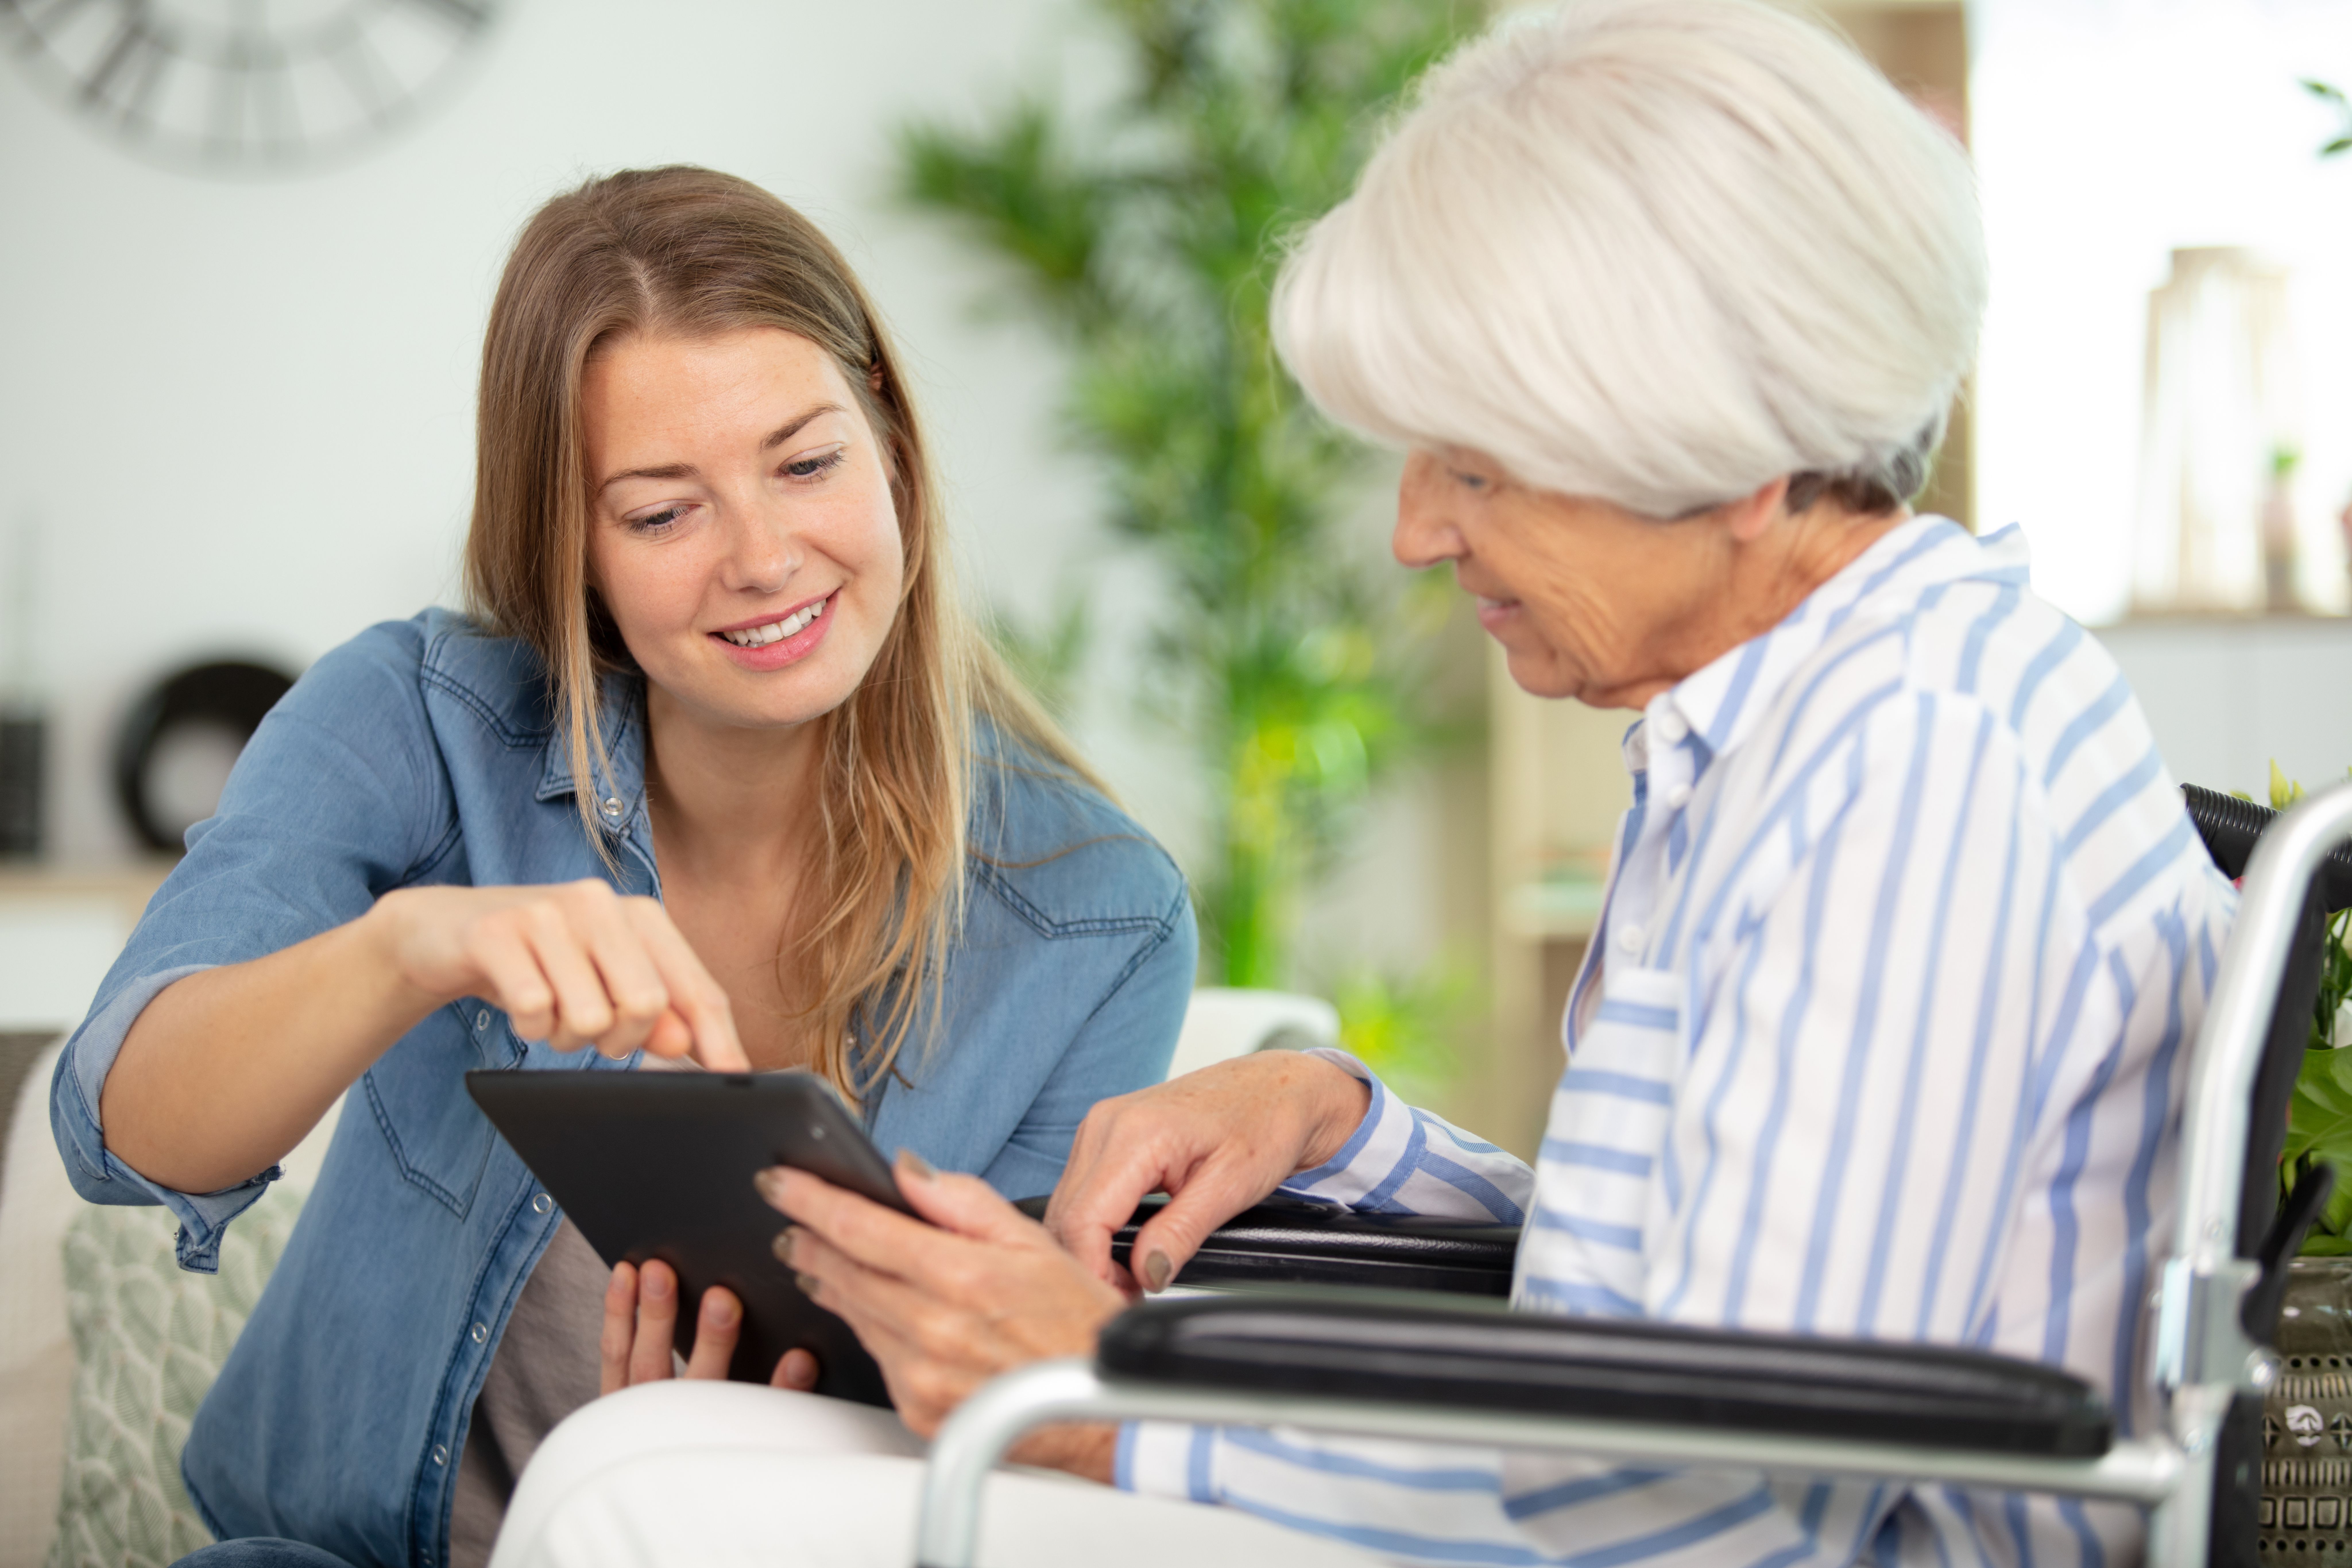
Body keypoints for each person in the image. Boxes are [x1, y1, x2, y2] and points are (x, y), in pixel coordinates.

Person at [492, 4, 2236, 1566]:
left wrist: (1107, 1408)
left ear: (1732, 452)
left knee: (643, 1497)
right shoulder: (1818, 716)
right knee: (642, 1441)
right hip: (1624, 1493)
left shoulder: (1901, 773)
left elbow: (1731, 1494)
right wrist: (1347, 1124)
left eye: (1474, 463)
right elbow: (1712, 1299)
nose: (1416, 531)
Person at [48, 167, 1196, 1568]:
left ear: (890, 445)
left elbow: (1020, 1437)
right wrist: (409, 947)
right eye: (663, 514)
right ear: (571, 549)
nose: (765, 558)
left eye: (807, 462)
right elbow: (120, 1130)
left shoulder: (1097, 916)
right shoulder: (419, 722)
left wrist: (707, 1475)